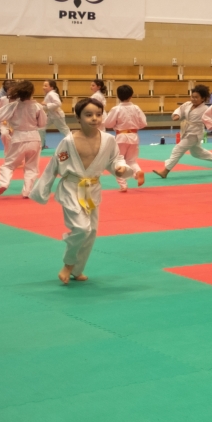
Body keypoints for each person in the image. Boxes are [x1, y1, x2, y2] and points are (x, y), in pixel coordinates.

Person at [29, 96, 134, 284]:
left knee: (91, 230)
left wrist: (121, 168)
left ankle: (77, 270)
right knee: (81, 228)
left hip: (92, 188)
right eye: (88, 114)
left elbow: (115, 159)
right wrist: (41, 191)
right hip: (71, 188)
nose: (94, 118)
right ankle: (68, 264)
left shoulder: (109, 140)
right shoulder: (68, 142)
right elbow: (53, 166)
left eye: (98, 114)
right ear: (78, 118)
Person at [156, 85, 212, 178]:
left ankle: (165, 171)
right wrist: (177, 115)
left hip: (194, 133)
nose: (193, 99)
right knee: (196, 152)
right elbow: (180, 110)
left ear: (203, 98)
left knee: (178, 150)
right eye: (192, 97)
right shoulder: (187, 104)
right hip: (186, 130)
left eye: (196, 97)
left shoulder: (205, 109)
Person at [100, 84, 147, 193]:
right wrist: (134, 127)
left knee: (118, 160)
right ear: (131, 95)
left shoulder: (116, 109)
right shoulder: (136, 108)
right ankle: (138, 172)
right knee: (131, 160)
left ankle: (123, 185)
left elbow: (108, 124)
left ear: (118, 96)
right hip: (134, 137)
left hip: (121, 136)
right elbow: (143, 123)